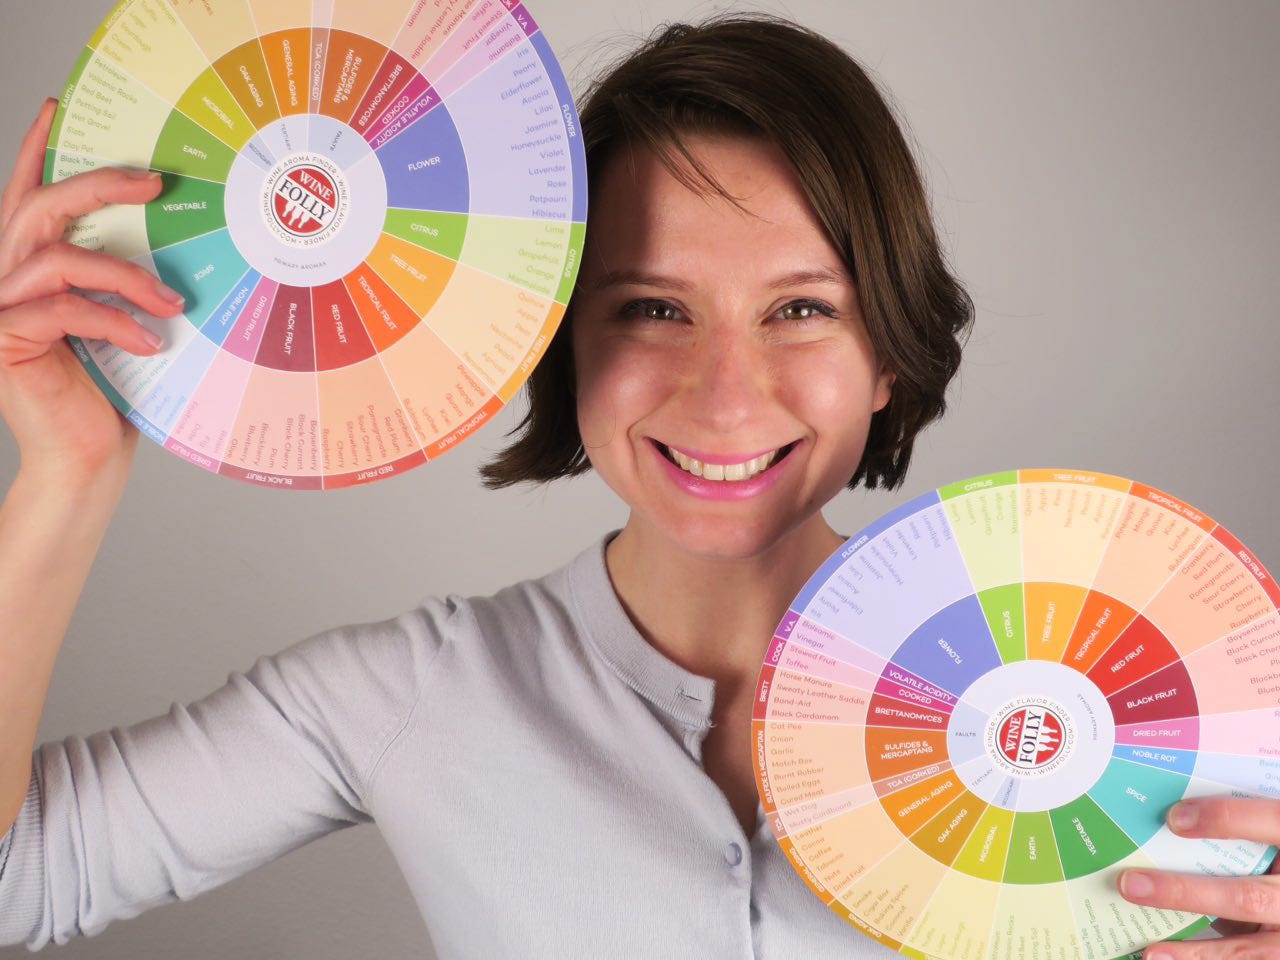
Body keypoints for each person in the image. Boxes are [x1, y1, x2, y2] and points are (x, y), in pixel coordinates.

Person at [0, 13, 1275, 959]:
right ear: (561, 346)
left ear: (887, 351)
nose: (725, 394)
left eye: (800, 310)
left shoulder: (1119, 703)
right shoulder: (414, 694)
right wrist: (62, 473)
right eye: (652, 307)